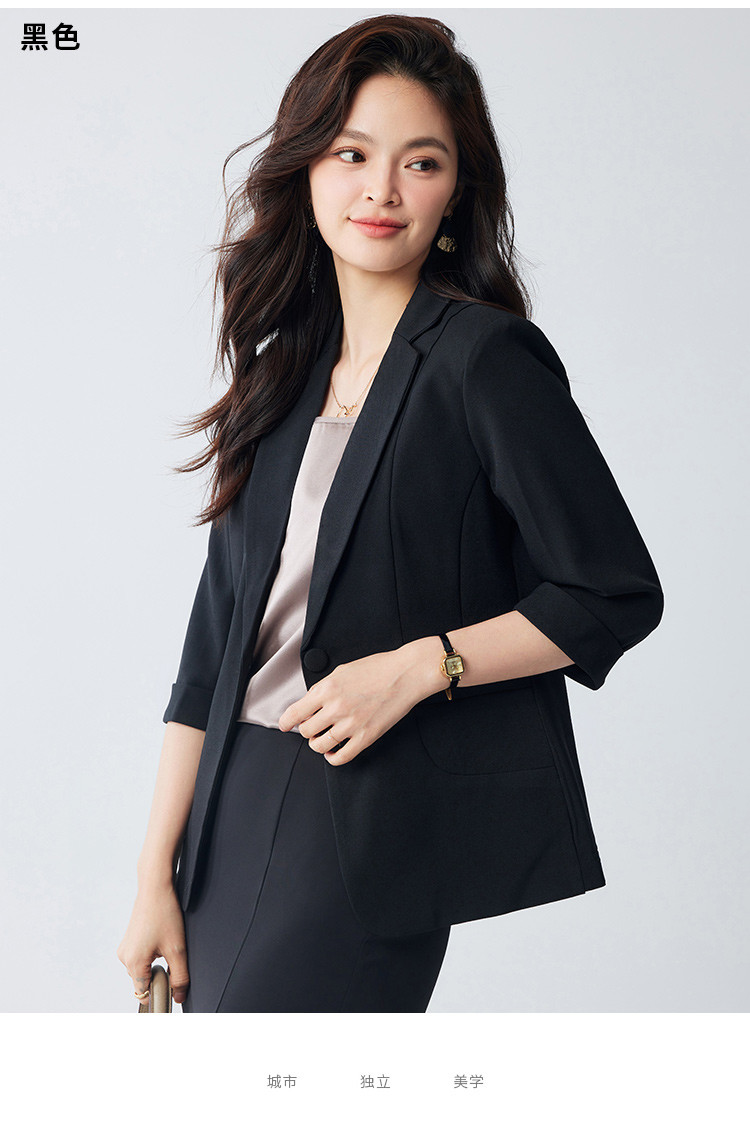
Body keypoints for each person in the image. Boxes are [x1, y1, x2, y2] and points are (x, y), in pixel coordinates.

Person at [117, 14, 664, 1013]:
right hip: (228, 803)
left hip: (363, 819)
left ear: (455, 192)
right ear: (306, 169)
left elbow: (611, 590)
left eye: (421, 162)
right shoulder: (280, 380)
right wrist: (155, 872)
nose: (382, 190)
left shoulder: (484, 361)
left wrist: (420, 668)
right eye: (352, 154)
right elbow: (211, 656)